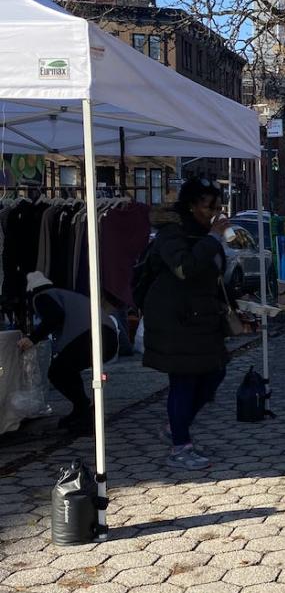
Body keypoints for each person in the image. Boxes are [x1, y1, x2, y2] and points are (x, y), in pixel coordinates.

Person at [142, 177, 231, 470]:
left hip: (204, 320)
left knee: (213, 375)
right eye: (209, 207)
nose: (215, 213)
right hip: (176, 322)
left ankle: (175, 428)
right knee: (184, 381)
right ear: (192, 205)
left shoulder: (207, 236)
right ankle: (180, 446)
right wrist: (213, 239)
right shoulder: (172, 234)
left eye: (218, 207)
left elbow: (214, 278)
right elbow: (185, 268)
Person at [17, 271, 119, 433]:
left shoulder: (41, 296)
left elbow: (54, 316)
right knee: (67, 368)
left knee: (58, 372)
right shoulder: (63, 294)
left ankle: (84, 412)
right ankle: (81, 409)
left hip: (90, 336)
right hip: (107, 336)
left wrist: (32, 338)